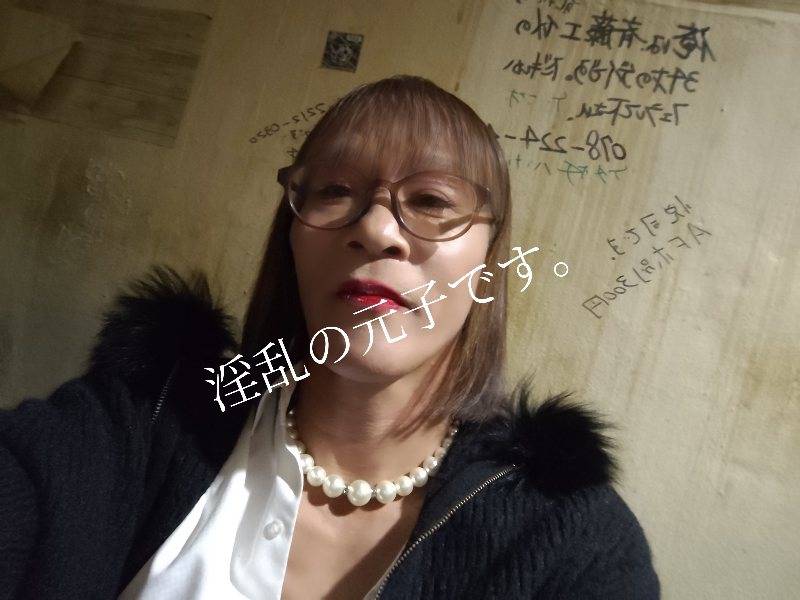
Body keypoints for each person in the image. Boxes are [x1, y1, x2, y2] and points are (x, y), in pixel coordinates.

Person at [0, 75, 659, 599]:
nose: (376, 229)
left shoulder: (572, 541)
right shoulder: (146, 420)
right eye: (336, 189)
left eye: (432, 201)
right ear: (290, 237)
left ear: (489, 260)